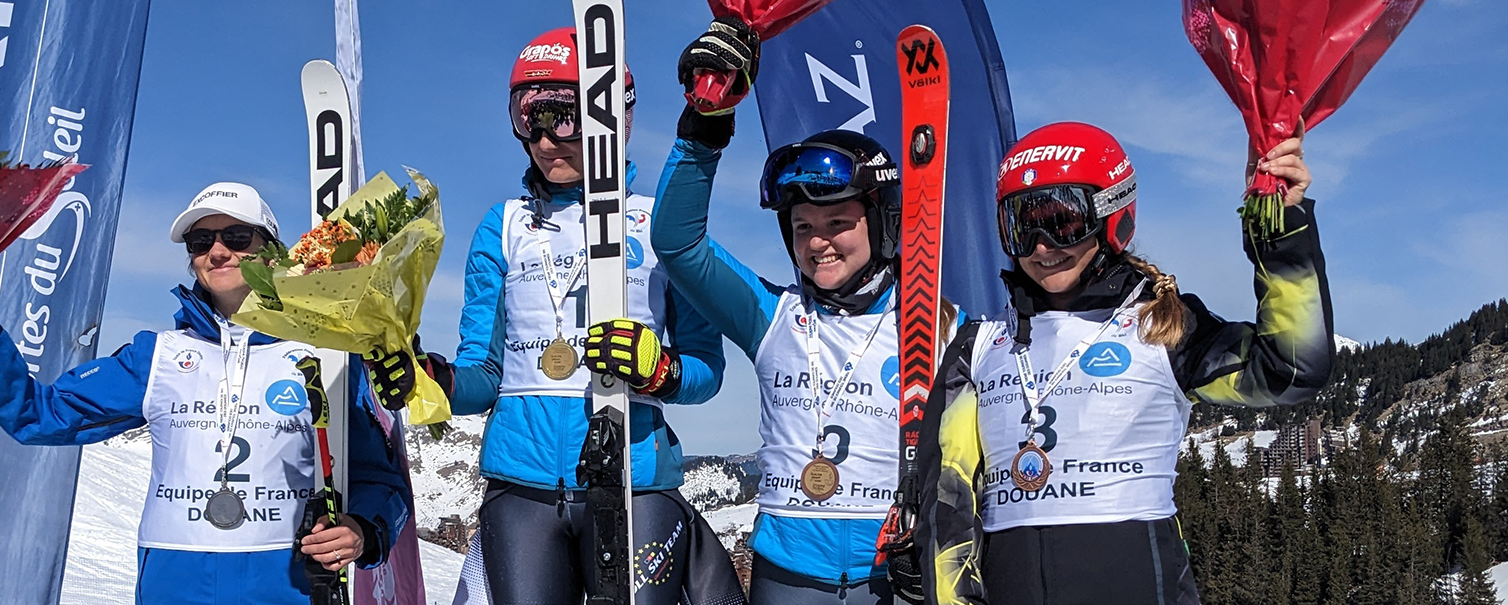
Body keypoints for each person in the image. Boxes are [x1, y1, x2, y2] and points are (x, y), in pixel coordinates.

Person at [0, 182, 414, 604]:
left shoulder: (323, 353)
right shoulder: (154, 355)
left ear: (272, 250)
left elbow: (378, 476)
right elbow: (38, 415)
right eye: (201, 241)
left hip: (285, 582)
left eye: (237, 236)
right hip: (174, 582)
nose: (217, 251)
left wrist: (364, 530)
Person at [919, 121, 1332, 604]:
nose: (1041, 246)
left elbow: (1291, 370)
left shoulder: (1163, 327)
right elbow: (948, 499)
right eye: (1020, 223)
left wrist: (1279, 229)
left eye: (1062, 221)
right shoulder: (981, 345)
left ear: (1113, 214)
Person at [422, 27, 745, 605]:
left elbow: (706, 371)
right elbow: (483, 377)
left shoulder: (660, 225)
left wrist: (660, 371)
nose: (546, 141)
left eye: (565, 117)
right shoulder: (503, 226)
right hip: (522, 491)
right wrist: (435, 379)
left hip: (635, 481)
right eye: (530, 118)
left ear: (611, 118)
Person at [652, 20, 969, 604]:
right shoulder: (770, 315)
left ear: (881, 224)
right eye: (803, 227)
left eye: (838, 223)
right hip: (787, 579)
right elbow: (677, 244)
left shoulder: (941, 324)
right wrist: (704, 125)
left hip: (894, 578)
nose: (819, 241)